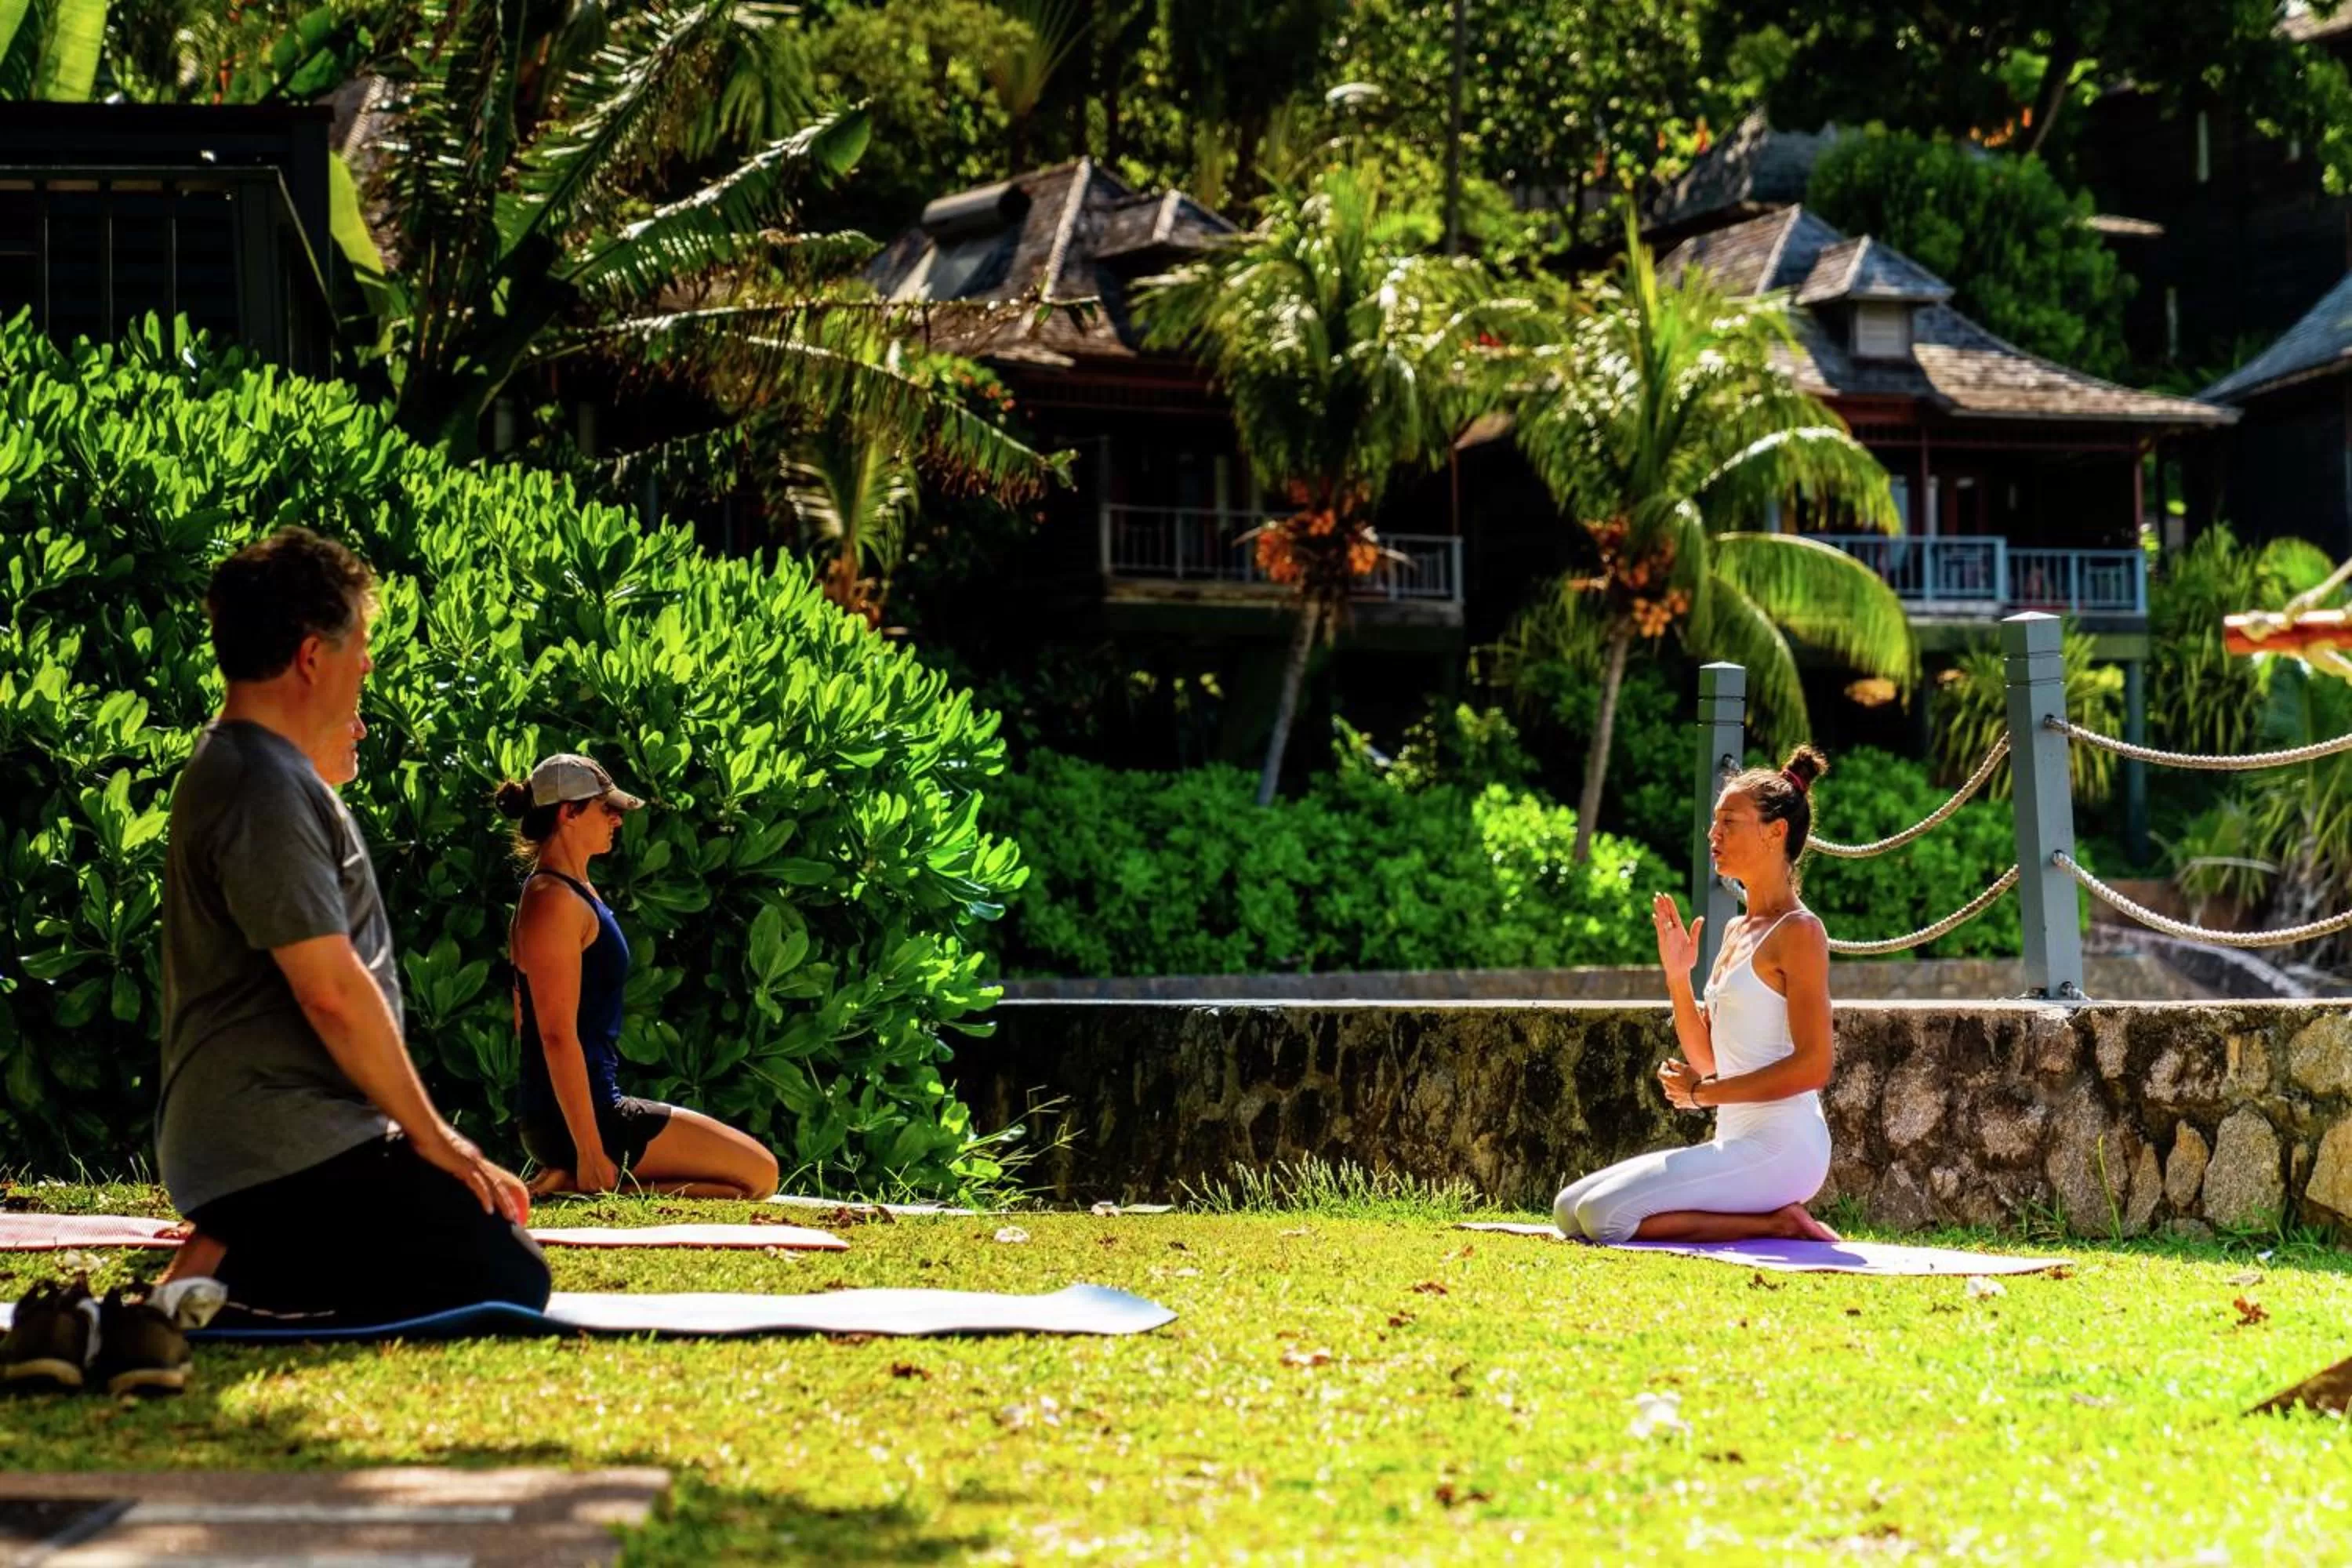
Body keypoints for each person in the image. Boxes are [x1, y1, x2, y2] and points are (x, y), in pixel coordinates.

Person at [154, 527, 550, 1327]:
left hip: (288, 1136)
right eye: (360, 645)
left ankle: (231, 1250)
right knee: (501, 1276)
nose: (366, 666)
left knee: (499, 1255)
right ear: (311, 656)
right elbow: (331, 989)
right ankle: (228, 1270)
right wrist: (435, 1137)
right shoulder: (260, 783)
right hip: (279, 1140)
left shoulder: (258, 770)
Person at [1553, 746, 1842, 1246]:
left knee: (1604, 1220)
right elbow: (1708, 1059)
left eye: (1729, 822)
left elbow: (1814, 1066)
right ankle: (1777, 1222)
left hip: (1784, 1148)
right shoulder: (1735, 930)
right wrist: (1678, 978)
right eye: (1715, 821)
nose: (1714, 834)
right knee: (1567, 1211)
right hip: (1735, 1141)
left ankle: (1778, 1221)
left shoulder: (1800, 932)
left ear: (1776, 833)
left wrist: (1703, 1095)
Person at [499, 756, 780, 1200]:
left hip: (576, 1111)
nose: (615, 818)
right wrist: (588, 1149)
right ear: (567, 813)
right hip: (585, 1118)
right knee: (759, 1176)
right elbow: (551, 1035)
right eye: (603, 808)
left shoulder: (570, 891)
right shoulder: (552, 899)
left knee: (755, 1177)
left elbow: (523, 1019)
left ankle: (574, 1178)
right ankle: (584, 1174)